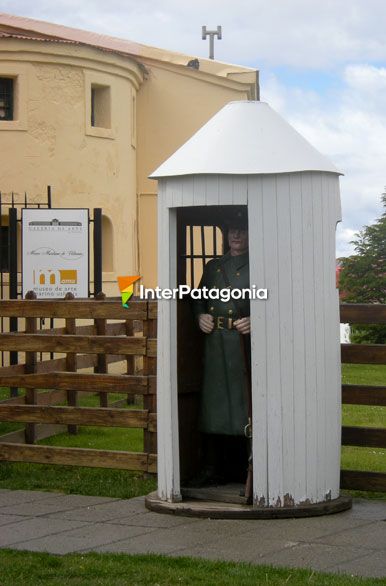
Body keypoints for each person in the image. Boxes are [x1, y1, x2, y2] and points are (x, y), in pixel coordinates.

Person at [193, 211, 251, 485]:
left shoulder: (258, 265)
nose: (236, 235)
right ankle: (212, 467)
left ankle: (245, 467)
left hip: (242, 346)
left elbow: (274, 301)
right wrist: (200, 315)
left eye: (241, 230)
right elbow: (199, 297)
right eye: (232, 230)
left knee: (244, 405)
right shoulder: (214, 267)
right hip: (216, 345)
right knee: (213, 405)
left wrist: (257, 320)